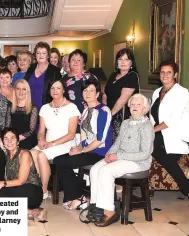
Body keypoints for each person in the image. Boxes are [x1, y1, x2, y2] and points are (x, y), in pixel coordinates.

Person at [89, 93, 154, 227]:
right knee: (95, 169)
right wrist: (109, 154)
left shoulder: (147, 126)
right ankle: (97, 208)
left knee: (106, 171)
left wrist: (118, 156)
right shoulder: (126, 123)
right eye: (132, 104)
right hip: (121, 157)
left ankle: (109, 212)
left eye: (138, 105)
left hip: (138, 162)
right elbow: (117, 144)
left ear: (145, 108)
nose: (135, 107)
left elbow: (145, 154)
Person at [53, 78, 113, 210]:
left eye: (92, 90)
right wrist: (78, 147)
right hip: (87, 150)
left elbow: (100, 139)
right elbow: (84, 136)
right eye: (85, 90)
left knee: (63, 163)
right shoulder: (85, 111)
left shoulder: (104, 110)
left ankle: (77, 197)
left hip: (99, 152)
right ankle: (77, 196)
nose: (88, 93)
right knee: (58, 160)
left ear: (97, 94)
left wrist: (82, 151)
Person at [30, 78, 80, 199]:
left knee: (41, 155)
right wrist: (41, 140)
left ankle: (43, 190)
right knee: (31, 153)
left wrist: (51, 144)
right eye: (52, 88)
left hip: (65, 144)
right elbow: (41, 131)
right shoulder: (45, 108)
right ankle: (34, 187)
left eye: (58, 88)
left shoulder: (71, 107)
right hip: (47, 143)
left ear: (63, 90)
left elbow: (71, 134)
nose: (55, 90)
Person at [151, 60, 189, 198]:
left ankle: (186, 188)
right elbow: (153, 117)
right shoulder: (157, 92)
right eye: (162, 72)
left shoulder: (182, 92)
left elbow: (173, 120)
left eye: (169, 72)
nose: (165, 75)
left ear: (175, 75)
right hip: (158, 134)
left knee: (153, 148)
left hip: (175, 135)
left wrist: (152, 131)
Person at [0, 128, 45, 220]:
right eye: (6, 138)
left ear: (18, 141)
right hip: (17, 190)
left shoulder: (24, 154)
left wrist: (1, 184)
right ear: (3, 142)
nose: (9, 141)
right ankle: (29, 212)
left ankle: (28, 211)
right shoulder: (5, 155)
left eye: (12, 138)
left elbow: (21, 181)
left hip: (32, 191)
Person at [103, 48, 139, 141]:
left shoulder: (132, 76)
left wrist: (109, 115)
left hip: (123, 117)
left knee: (119, 145)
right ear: (117, 62)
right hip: (109, 113)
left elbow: (123, 100)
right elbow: (105, 93)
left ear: (131, 63)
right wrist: (104, 110)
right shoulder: (113, 75)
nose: (123, 62)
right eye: (120, 59)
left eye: (126, 59)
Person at [24, 42, 62, 111]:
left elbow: (59, 91)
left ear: (48, 55)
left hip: (47, 108)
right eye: (38, 53)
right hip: (29, 107)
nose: (41, 55)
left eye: (44, 53)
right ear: (35, 55)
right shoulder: (31, 68)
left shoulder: (54, 71)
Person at [64, 49, 98, 113]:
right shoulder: (65, 77)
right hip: (69, 113)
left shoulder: (89, 77)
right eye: (73, 60)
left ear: (83, 63)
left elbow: (96, 97)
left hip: (86, 113)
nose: (75, 62)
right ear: (69, 62)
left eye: (79, 60)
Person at [11, 79, 38, 149]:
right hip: (12, 139)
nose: (21, 92)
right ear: (14, 90)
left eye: (24, 89)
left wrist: (17, 138)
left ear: (27, 91)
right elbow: (7, 127)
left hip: (27, 140)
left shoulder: (33, 108)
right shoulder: (10, 107)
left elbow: (31, 131)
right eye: (18, 89)